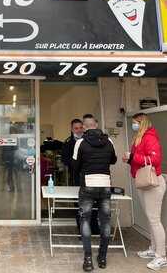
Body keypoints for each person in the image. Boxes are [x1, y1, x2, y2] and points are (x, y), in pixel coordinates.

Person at [122, 113, 167, 271]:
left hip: (153, 183)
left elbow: (155, 160)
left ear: (141, 123)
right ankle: (153, 248)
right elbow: (138, 159)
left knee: (154, 219)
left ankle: (161, 256)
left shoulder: (149, 137)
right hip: (143, 181)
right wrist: (129, 159)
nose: (132, 125)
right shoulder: (139, 138)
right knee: (150, 218)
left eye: (134, 122)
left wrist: (133, 156)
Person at [73, 116, 117, 271]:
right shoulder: (109, 141)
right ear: (96, 125)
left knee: (85, 219)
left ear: (84, 127)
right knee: (105, 221)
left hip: (88, 185)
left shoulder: (80, 142)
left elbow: (75, 165)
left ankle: (88, 260)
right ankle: (102, 257)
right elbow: (113, 160)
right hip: (105, 184)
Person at [62, 119, 84, 186]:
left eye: (81, 128)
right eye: (76, 128)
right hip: (74, 174)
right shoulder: (67, 143)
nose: (79, 130)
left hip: (88, 174)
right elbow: (65, 160)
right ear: (72, 129)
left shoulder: (88, 140)